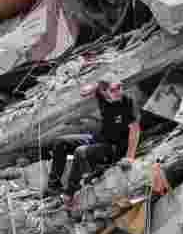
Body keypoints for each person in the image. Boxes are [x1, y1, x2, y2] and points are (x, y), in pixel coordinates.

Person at [47, 80, 140, 208]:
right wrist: (96, 85)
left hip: (114, 148)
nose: (118, 92)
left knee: (80, 152)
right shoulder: (101, 94)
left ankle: (70, 194)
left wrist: (129, 157)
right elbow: (84, 91)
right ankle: (54, 187)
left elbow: (135, 130)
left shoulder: (127, 102)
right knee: (60, 142)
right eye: (113, 90)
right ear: (104, 92)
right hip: (99, 138)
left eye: (120, 87)